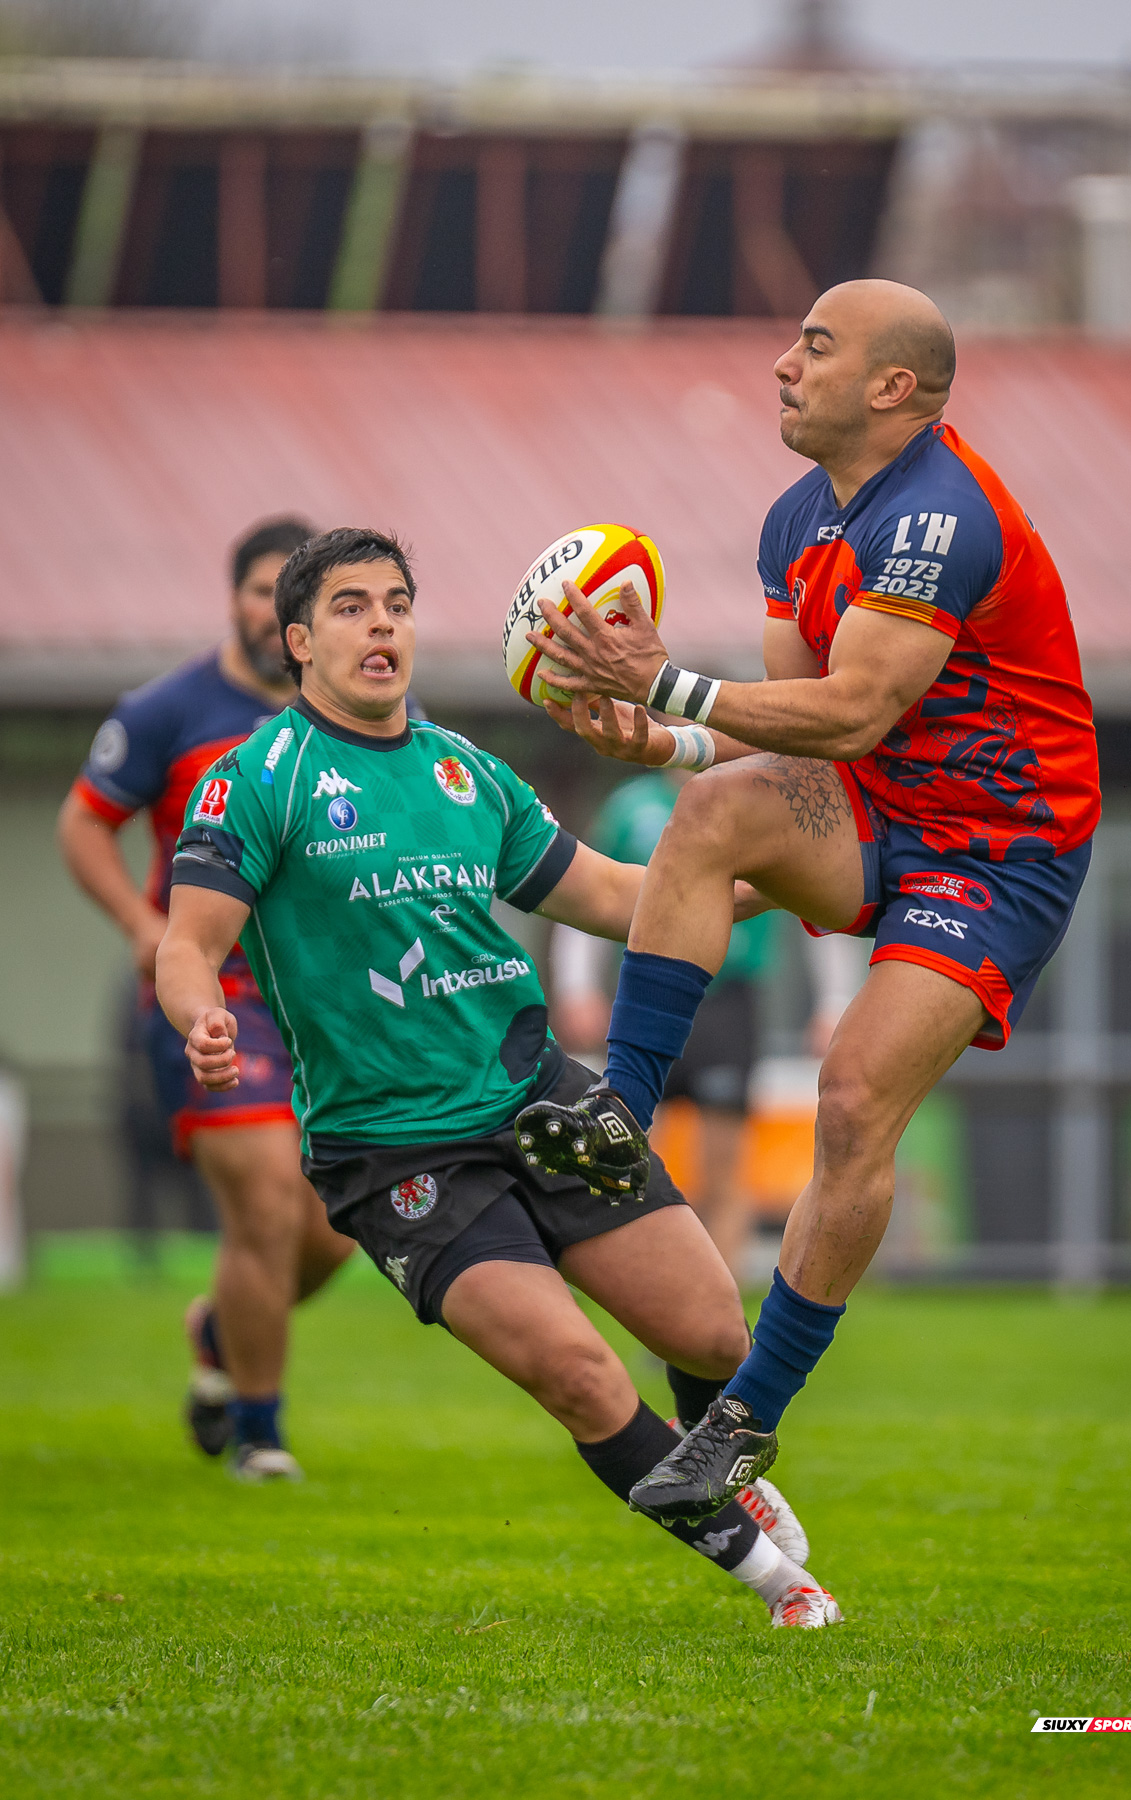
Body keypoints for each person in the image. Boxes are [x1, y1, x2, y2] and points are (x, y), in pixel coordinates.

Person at [155, 525, 842, 1629]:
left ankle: (727, 1470)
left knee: (714, 1334)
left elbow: (623, 895)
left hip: (537, 1099)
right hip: (395, 1150)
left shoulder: (464, 770)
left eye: (396, 603)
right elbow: (188, 946)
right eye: (349, 607)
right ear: (296, 640)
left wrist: (806, 882)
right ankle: (777, 1582)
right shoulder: (255, 784)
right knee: (579, 1376)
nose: (382, 624)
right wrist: (200, 1020)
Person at [514, 278, 1102, 1523]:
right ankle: (622, 1108)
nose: (783, 363)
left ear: (894, 387)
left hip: (999, 851)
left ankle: (744, 1421)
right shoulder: (799, 518)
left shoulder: (942, 513)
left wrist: (666, 680)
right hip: (886, 807)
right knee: (713, 813)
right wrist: (659, 743)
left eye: (815, 346)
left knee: (850, 1098)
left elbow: (853, 708)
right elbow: (800, 748)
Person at [59, 516, 356, 1481]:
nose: (277, 614)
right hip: (211, 997)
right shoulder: (167, 710)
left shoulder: (361, 714)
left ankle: (219, 1336)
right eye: (262, 590)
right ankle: (260, 1435)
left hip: (319, 1003)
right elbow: (82, 825)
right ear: (234, 597)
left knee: (335, 1228)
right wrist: (148, 935)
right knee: (268, 1205)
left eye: (298, 596)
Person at [551, 770, 780, 1280]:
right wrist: (577, 989)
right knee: (626, 1158)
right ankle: (659, 1298)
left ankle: (717, 1312)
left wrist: (833, 998)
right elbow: (591, 891)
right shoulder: (629, 807)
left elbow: (812, 893)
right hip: (644, 991)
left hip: (726, 1001)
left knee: (723, 1168)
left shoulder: (760, 800)